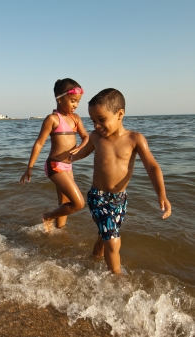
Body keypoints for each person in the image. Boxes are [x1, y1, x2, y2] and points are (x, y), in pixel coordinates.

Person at [71, 88, 172, 273]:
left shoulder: (135, 139)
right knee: (113, 241)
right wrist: (65, 158)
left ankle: (92, 261)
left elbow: (152, 167)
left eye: (101, 120)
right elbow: (79, 154)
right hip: (98, 198)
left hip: (120, 199)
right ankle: (116, 280)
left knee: (105, 237)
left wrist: (162, 195)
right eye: (93, 121)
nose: (97, 126)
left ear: (120, 114)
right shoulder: (95, 138)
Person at [20, 78, 89, 230]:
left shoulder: (75, 119)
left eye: (78, 102)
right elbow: (39, 143)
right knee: (78, 203)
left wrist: (80, 147)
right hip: (55, 166)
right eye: (72, 101)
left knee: (65, 204)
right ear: (59, 97)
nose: (75, 105)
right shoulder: (52, 119)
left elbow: (86, 136)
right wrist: (29, 167)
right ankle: (47, 216)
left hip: (68, 167)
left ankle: (60, 233)